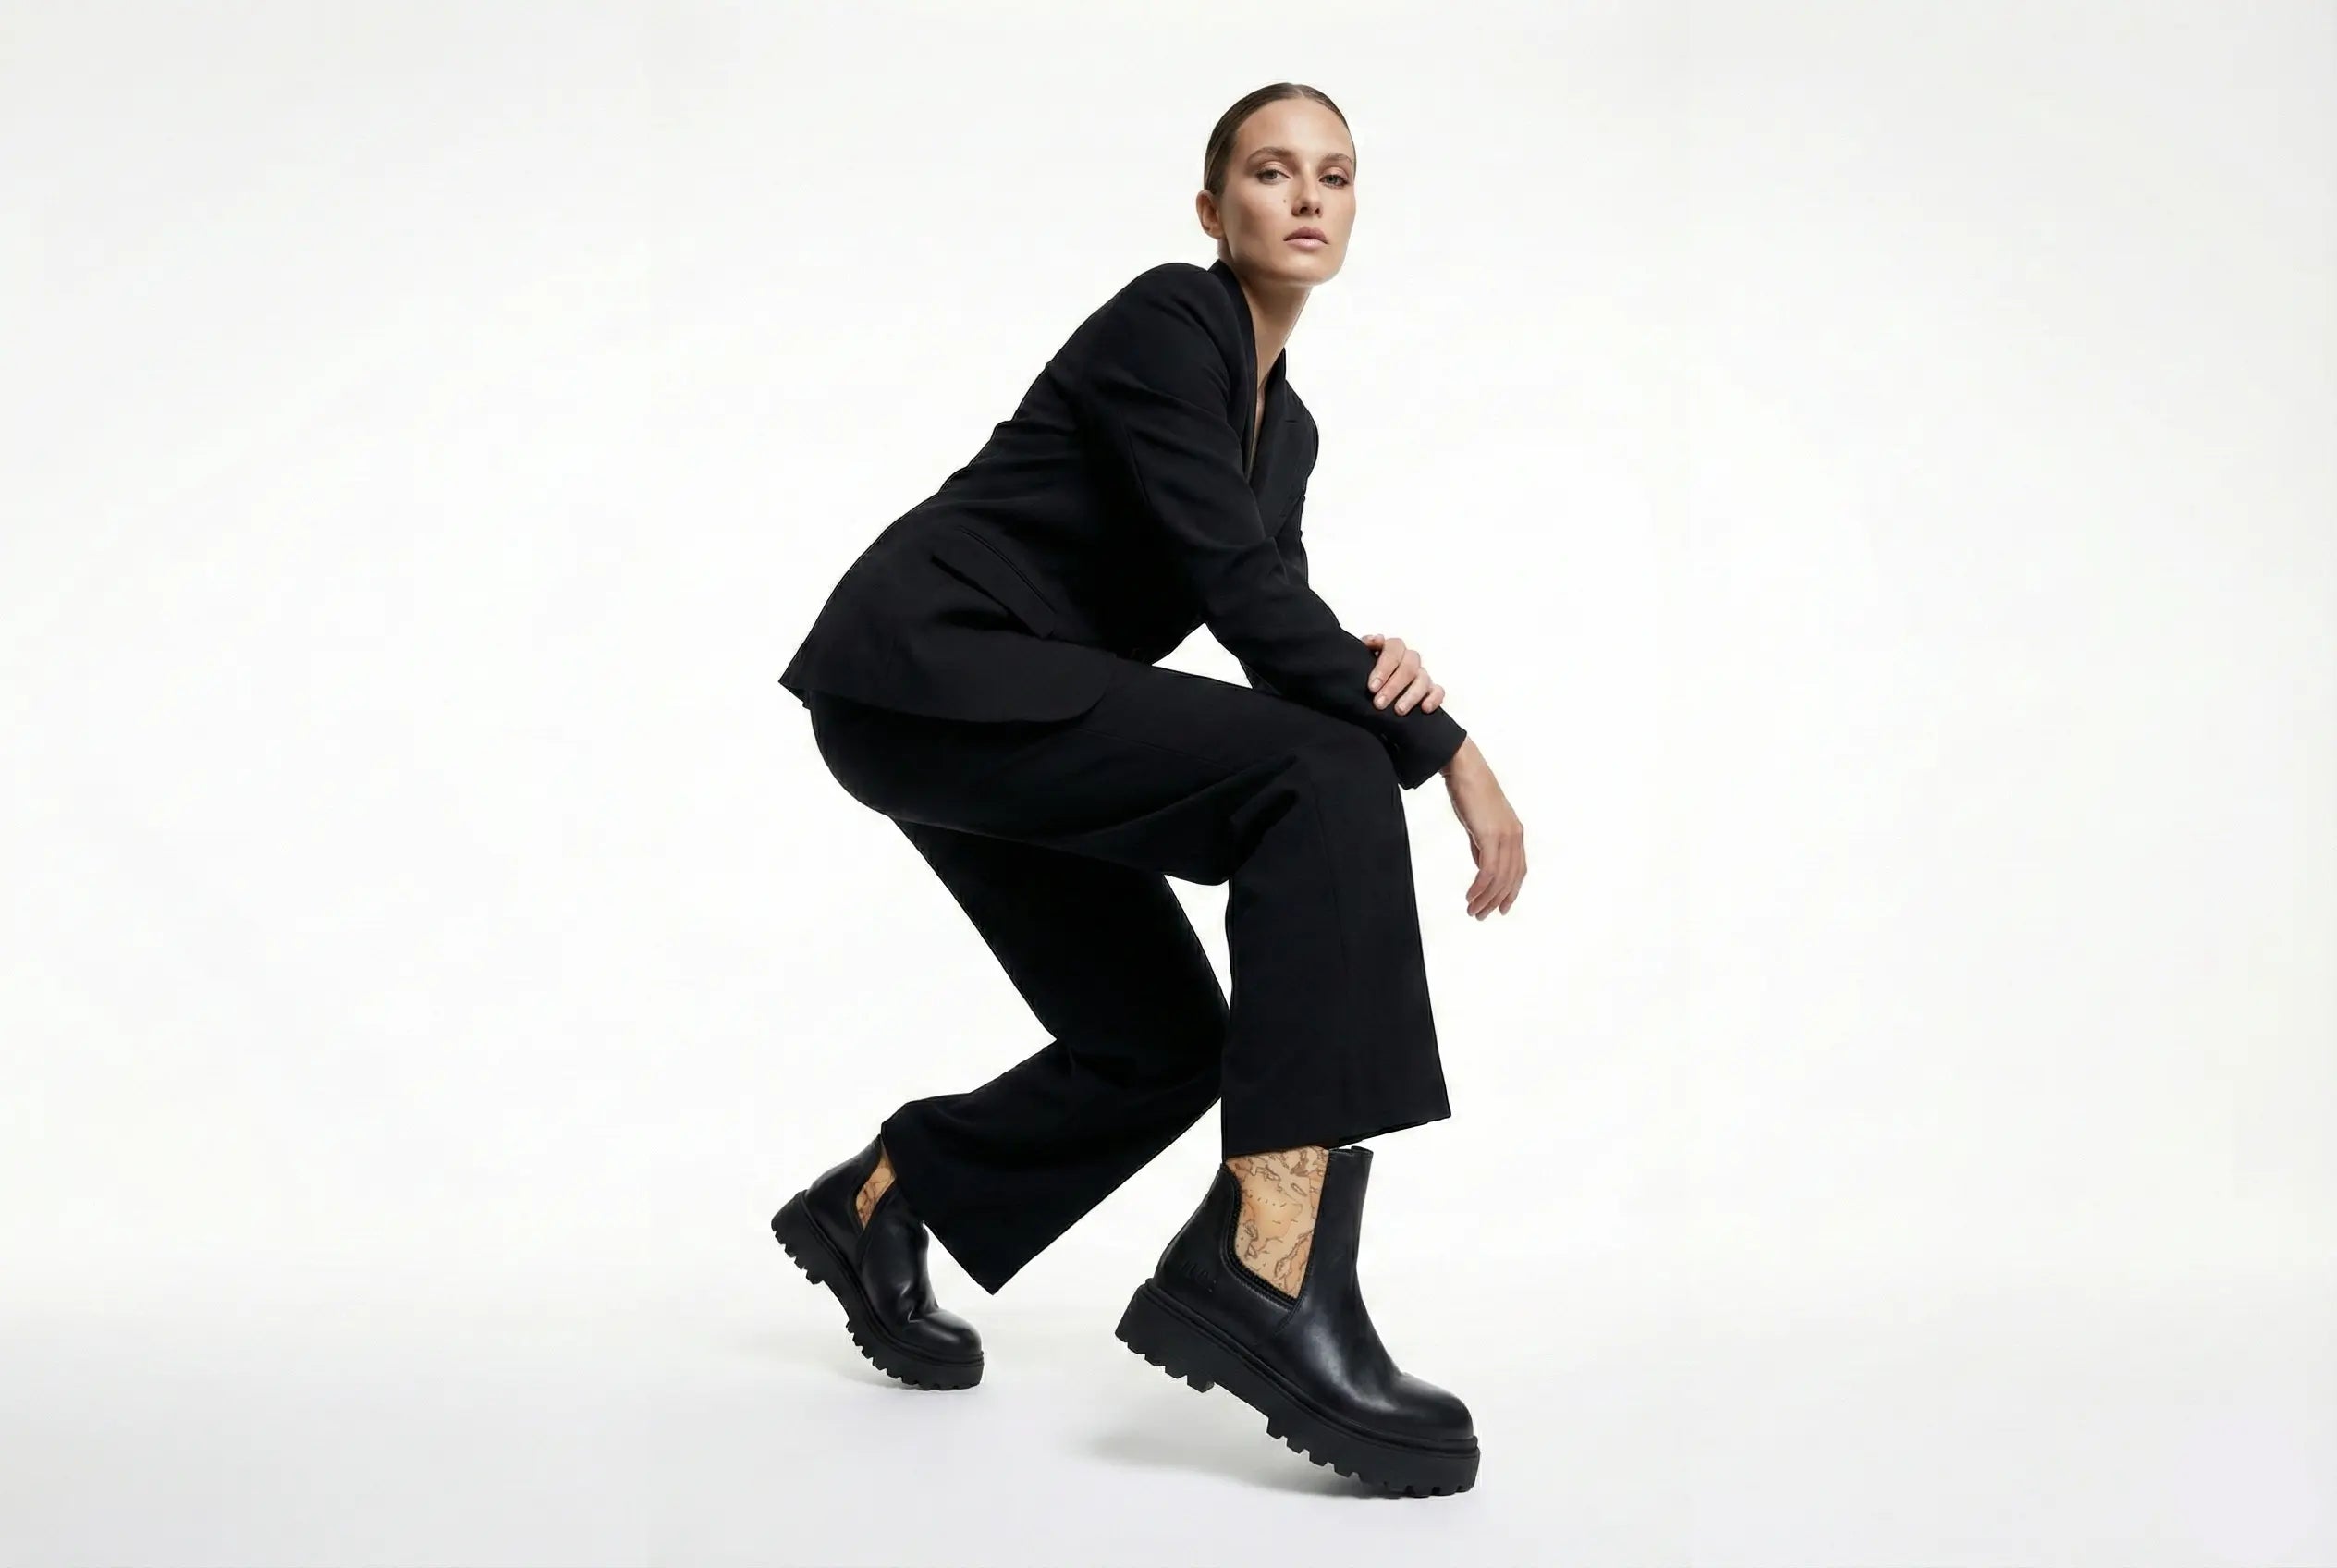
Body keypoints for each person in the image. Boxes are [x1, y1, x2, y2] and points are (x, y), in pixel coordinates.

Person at [766, 82, 1525, 1496]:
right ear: (1211, 210)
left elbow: (1274, 614)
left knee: (1164, 1041)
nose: (1306, 197)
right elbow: (1243, 599)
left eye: (1336, 176)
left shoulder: (1281, 434)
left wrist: (1378, 672)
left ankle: (887, 1198)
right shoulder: (1166, 322)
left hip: (986, 707)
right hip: (935, 666)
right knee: (1327, 776)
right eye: (1270, 172)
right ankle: (1270, 1257)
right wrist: (1447, 752)